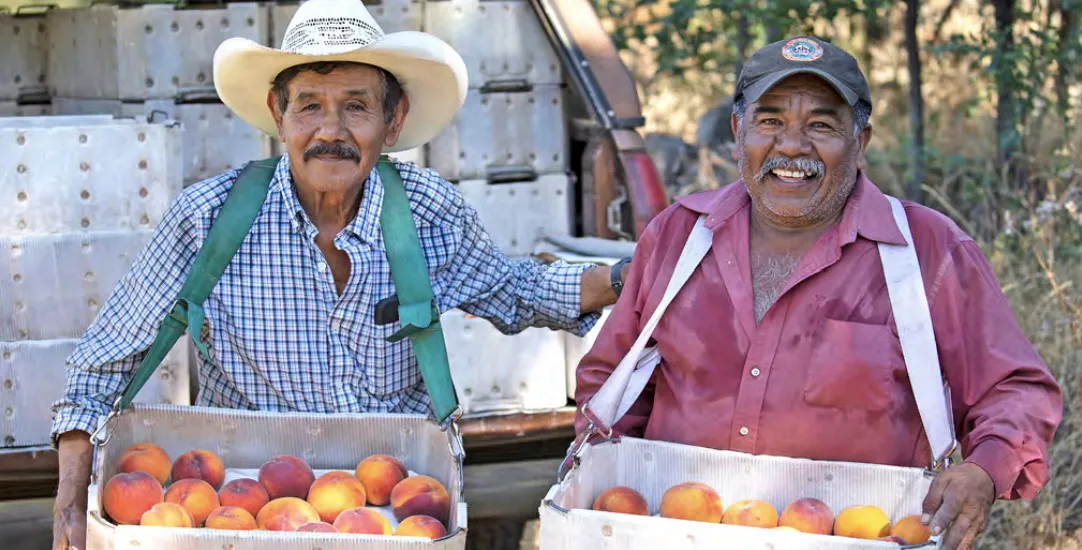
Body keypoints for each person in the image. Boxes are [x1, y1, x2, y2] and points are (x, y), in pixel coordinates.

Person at [50, 0, 631, 547]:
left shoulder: (428, 212)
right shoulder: (208, 218)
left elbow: (516, 290)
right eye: (309, 106)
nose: (331, 130)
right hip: (249, 510)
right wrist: (71, 497)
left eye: (355, 106)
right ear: (279, 115)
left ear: (393, 119)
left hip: (397, 510)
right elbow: (105, 363)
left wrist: (633, 274)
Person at [574, 36, 1062, 550]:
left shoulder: (928, 252)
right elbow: (614, 380)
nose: (791, 146)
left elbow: (1016, 390)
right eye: (770, 122)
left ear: (861, 140)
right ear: (739, 131)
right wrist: (609, 483)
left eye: (821, 126)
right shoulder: (680, 235)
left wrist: (984, 471)